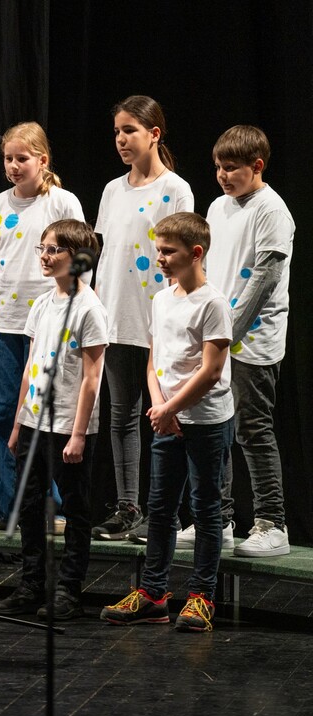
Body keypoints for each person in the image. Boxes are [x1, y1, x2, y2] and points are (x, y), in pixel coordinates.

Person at [101, 212, 234, 632]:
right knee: (160, 509)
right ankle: (154, 593)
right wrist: (160, 405)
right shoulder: (161, 299)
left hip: (205, 421)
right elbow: (153, 359)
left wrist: (170, 408)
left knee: (205, 508)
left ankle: (201, 597)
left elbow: (211, 371)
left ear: (195, 253)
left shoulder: (213, 303)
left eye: (168, 251)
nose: (159, 258)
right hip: (168, 420)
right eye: (157, 250)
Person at [0, 220, 108, 619]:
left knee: (75, 508)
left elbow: (91, 377)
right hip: (34, 423)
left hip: (68, 426)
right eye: (42, 248)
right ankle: (31, 584)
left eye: (53, 249)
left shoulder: (89, 308)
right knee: (29, 505)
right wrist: (18, 423)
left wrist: (78, 434)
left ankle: (68, 590)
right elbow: (30, 367)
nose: (44, 255)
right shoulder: (41, 304)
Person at [91, 96, 194, 541]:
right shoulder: (112, 190)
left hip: (157, 319)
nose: (120, 139)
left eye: (129, 130)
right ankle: (128, 506)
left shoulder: (176, 189)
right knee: (121, 417)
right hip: (114, 316)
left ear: (154, 134)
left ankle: (163, 511)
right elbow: (101, 253)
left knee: (163, 416)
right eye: (116, 131)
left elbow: (179, 256)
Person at [190, 125, 294, 558]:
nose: (222, 175)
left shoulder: (272, 209)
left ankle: (272, 523)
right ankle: (218, 520)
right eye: (218, 167)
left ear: (257, 166)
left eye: (231, 168)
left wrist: (228, 330)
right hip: (219, 336)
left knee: (252, 430)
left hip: (253, 340)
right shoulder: (218, 207)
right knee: (216, 429)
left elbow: (265, 278)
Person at [0, 122, 84, 531]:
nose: (14, 165)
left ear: (42, 159)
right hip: (5, 320)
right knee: (2, 411)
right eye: (8, 158)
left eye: (22, 158)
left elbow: (81, 258)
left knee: (44, 411)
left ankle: (49, 503)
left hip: (50, 321)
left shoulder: (62, 202)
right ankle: (1, 503)